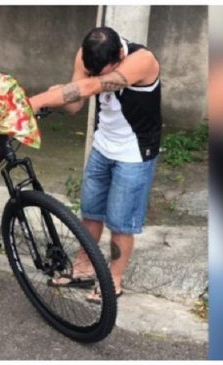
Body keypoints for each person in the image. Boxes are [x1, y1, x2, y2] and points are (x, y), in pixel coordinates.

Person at [29, 27, 161, 303]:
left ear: (118, 57)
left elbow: (89, 87)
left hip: (134, 153)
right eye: (92, 70)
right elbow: (77, 104)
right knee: (90, 212)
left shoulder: (142, 60)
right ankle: (84, 268)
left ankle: (113, 279)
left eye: (102, 72)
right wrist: (63, 95)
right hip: (103, 145)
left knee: (121, 223)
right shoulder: (87, 55)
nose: (96, 74)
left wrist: (36, 101)